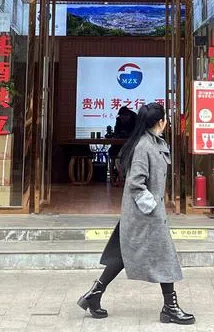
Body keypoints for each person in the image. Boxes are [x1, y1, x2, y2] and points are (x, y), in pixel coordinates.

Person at [77, 102, 194, 325]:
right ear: (161, 122)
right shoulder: (144, 146)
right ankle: (170, 307)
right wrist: (153, 208)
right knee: (165, 255)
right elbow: (135, 183)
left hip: (142, 213)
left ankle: (94, 295)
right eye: (165, 118)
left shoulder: (153, 142)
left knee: (123, 255)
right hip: (145, 214)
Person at [108, 106, 137, 185]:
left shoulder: (136, 119)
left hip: (132, 144)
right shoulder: (119, 120)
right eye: (121, 118)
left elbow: (138, 133)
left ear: (128, 116)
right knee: (112, 151)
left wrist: (128, 134)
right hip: (120, 143)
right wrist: (118, 134)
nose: (122, 120)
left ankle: (128, 175)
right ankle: (115, 175)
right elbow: (116, 132)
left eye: (123, 118)